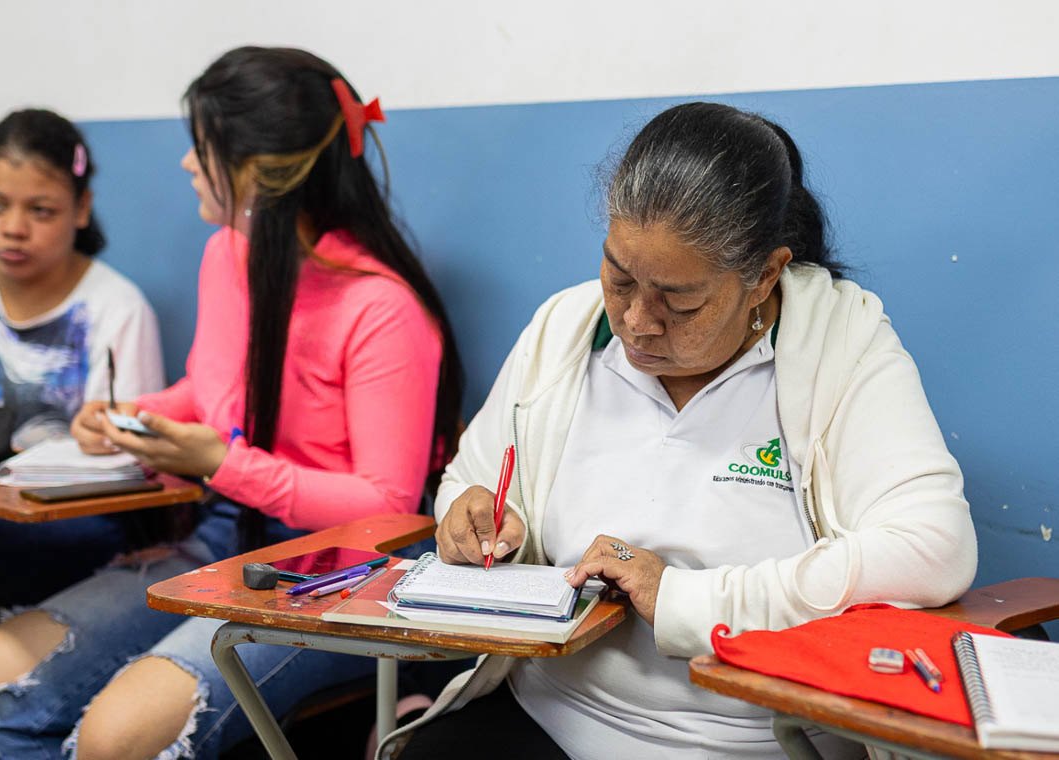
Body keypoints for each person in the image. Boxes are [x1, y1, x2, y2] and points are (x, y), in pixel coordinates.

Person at [385, 102, 977, 760]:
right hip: (549, 713)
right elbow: (471, 478)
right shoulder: (565, 328)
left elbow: (933, 549)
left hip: (754, 738)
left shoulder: (839, 345)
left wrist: (684, 598)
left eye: (680, 300)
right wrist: (475, 517)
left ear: (764, 276)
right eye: (618, 278)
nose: (638, 320)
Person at [0, 47, 463, 760]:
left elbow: (389, 507)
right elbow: (213, 390)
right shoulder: (228, 254)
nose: (187, 164)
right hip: (227, 537)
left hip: (341, 573)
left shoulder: (381, 308)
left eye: (202, 147)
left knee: (114, 738)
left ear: (259, 172)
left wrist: (224, 462)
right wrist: (132, 418)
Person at [0, 109, 164, 757]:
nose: (13, 228)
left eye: (41, 210)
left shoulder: (116, 309)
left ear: (81, 207)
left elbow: (131, 466)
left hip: (57, 538)